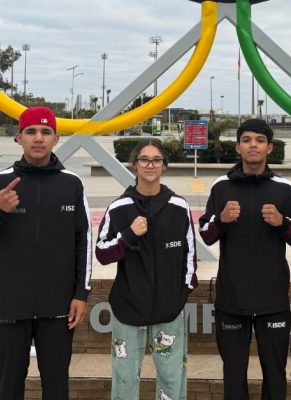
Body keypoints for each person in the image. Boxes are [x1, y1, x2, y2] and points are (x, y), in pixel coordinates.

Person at [0, 106, 91, 400]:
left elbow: (83, 241)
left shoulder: (71, 184)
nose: (38, 138)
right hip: (9, 305)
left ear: (56, 139)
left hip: (58, 307)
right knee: (9, 387)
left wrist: (81, 294)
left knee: (57, 386)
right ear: (18, 138)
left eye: (46, 132)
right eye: (31, 131)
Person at [199, 118, 291, 400]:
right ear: (238, 147)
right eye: (247, 140)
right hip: (231, 301)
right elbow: (207, 235)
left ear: (270, 147)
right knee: (233, 376)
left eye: (259, 140)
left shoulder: (284, 189)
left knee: (275, 375)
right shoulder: (221, 187)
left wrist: (282, 222)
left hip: (273, 301)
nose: (253, 145)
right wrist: (221, 220)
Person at [95, 139, 196, 400]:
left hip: (168, 311)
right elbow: (102, 253)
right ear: (135, 165)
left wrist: (180, 295)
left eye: (156, 160)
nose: (150, 165)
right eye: (144, 159)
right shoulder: (119, 208)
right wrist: (128, 234)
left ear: (164, 166)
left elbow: (190, 257)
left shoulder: (179, 207)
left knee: (172, 379)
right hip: (128, 309)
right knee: (125, 379)